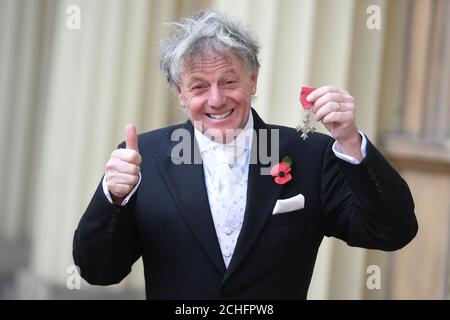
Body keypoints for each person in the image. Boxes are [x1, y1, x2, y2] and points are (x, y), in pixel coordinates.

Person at [73, 10, 418, 299]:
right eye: (198, 86)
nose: (216, 99)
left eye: (228, 82)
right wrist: (114, 199)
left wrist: (351, 145)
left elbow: (392, 231)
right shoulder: (142, 158)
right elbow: (99, 271)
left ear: (253, 81)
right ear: (179, 93)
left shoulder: (310, 154)